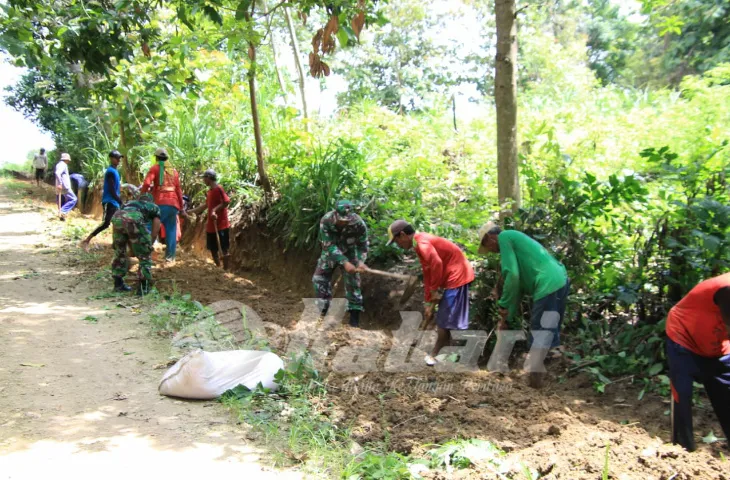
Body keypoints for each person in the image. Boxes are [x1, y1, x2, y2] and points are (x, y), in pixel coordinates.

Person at [478, 222, 569, 387]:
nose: (491, 251)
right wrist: (507, 316)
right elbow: (517, 287)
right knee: (545, 331)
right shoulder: (516, 247)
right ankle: (539, 380)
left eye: (488, 247)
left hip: (547, 283)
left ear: (490, 238)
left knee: (540, 332)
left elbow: (511, 275)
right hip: (559, 279)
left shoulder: (505, 236)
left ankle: (534, 384)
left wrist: (503, 303)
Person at [386, 219, 474, 366]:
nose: (398, 245)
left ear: (402, 235)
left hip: (458, 276)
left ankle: (443, 355)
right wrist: (428, 300)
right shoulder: (418, 244)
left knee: (446, 319)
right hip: (451, 278)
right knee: (444, 319)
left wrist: (434, 291)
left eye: (396, 241)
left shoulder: (422, 243)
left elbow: (437, 264)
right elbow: (428, 273)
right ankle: (446, 355)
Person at [665, 273, 730, 452]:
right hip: (684, 335)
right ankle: (683, 451)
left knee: (726, 392)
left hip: (716, 343)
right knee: (683, 393)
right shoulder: (727, 288)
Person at [312, 200, 369, 327]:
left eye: (347, 220)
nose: (345, 223)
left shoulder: (358, 224)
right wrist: (344, 262)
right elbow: (328, 245)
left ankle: (354, 322)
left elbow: (363, 245)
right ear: (336, 214)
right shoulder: (326, 220)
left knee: (353, 284)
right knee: (318, 279)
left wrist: (360, 261)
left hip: (350, 253)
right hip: (331, 253)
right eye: (342, 220)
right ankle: (324, 312)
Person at [141, 148, 187, 262]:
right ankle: (170, 258)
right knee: (171, 230)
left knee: (148, 226)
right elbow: (178, 191)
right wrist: (181, 208)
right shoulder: (174, 171)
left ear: (156, 158)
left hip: (160, 204)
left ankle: (145, 253)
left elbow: (146, 183)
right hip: (173, 205)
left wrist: (141, 198)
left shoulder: (155, 168)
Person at [111, 193, 161, 295]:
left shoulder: (128, 203)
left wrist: (115, 242)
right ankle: (143, 288)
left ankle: (118, 284)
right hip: (134, 218)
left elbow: (123, 223)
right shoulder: (153, 206)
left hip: (117, 218)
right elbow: (156, 224)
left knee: (119, 252)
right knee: (145, 256)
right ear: (150, 201)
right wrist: (149, 242)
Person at [189, 169, 231, 269]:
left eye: (204, 178)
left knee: (224, 248)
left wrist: (215, 210)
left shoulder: (218, 189)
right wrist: (190, 211)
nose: (203, 180)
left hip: (221, 224)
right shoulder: (210, 192)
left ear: (208, 178)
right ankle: (218, 268)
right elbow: (205, 206)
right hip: (211, 226)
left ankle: (226, 269)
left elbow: (226, 201)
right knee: (213, 249)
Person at [82, 151, 124, 250]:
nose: (119, 160)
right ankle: (87, 240)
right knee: (106, 223)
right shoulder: (110, 172)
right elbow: (112, 190)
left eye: (119, 158)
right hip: (110, 201)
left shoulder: (115, 171)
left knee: (117, 223)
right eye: (117, 158)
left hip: (114, 201)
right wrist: (120, 201)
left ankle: (116, 244)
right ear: (111, 158)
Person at [55, 153, 77, 220]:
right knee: (73, 199)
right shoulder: (63, 165)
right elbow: (57, 173)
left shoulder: (59, 164)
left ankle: (62, 215)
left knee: (63, 200)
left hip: (62, 185)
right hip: (64, 185)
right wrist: (60, 183)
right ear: (66, 159)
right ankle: (62, 211)